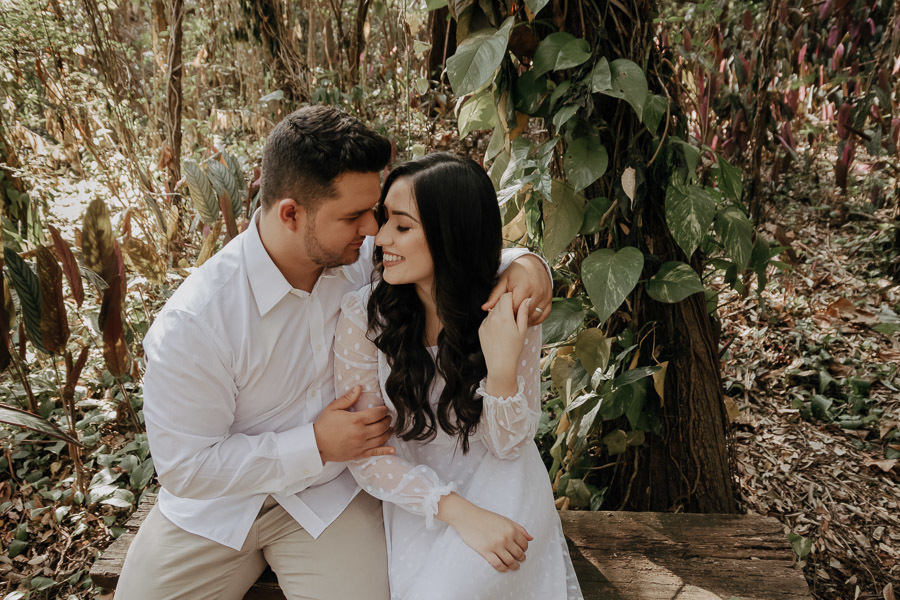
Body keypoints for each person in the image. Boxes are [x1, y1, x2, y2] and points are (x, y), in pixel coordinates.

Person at [114, 107, 553, 600]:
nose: (372, 230)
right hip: (216, 509)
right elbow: (187, 468)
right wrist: (316, 444)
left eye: (376, 213)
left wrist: (526, 266)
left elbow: (451, 245)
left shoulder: (358, 252)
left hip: (330, 497)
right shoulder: (196, 322)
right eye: (355, 217)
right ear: (291, 214)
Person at [333, 153, 582, 600]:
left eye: (402, 226)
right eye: (385, 219)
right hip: (418, 497)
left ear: (451, 235)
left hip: (505, 480)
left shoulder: (507, 303)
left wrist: (502, 369)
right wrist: (457, 511)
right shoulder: (364, 315)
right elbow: (368, 456)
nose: (381, 237)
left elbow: (510, 444)